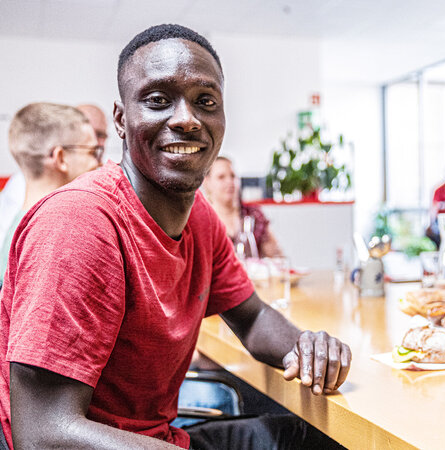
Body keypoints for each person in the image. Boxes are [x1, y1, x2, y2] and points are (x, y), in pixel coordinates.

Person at [0, 24, 351, 450]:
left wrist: (307, 347)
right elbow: (42, 434)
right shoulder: (80, 223)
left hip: (157, 438)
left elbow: (252, 317)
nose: (186, 118)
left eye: (206, 101)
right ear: (121, 121)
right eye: (157, 100)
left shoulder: (199, 217)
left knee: (309, 439)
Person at [0, 102, 101, 286]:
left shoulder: (16, 228)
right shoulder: (55, 234)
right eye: (92, 152)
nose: (98, 163)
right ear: (61, 158)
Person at [202, 156, 283, 258]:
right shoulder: (202, 219)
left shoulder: (254, 213)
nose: (229, 182)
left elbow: (277, 256)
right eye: (221, 177)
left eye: (233, 176)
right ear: (206, 182)